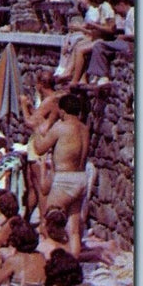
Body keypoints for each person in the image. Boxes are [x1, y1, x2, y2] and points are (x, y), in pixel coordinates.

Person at [29, 93, 91, 257]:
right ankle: (73, 263)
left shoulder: (61, 127)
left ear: (62, 111)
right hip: (81, 178)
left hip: (65, 179)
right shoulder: (84, 129)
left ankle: (51, 262)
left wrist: (36, 130)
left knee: (48, 223)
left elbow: (39, 148)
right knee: (74, 230)